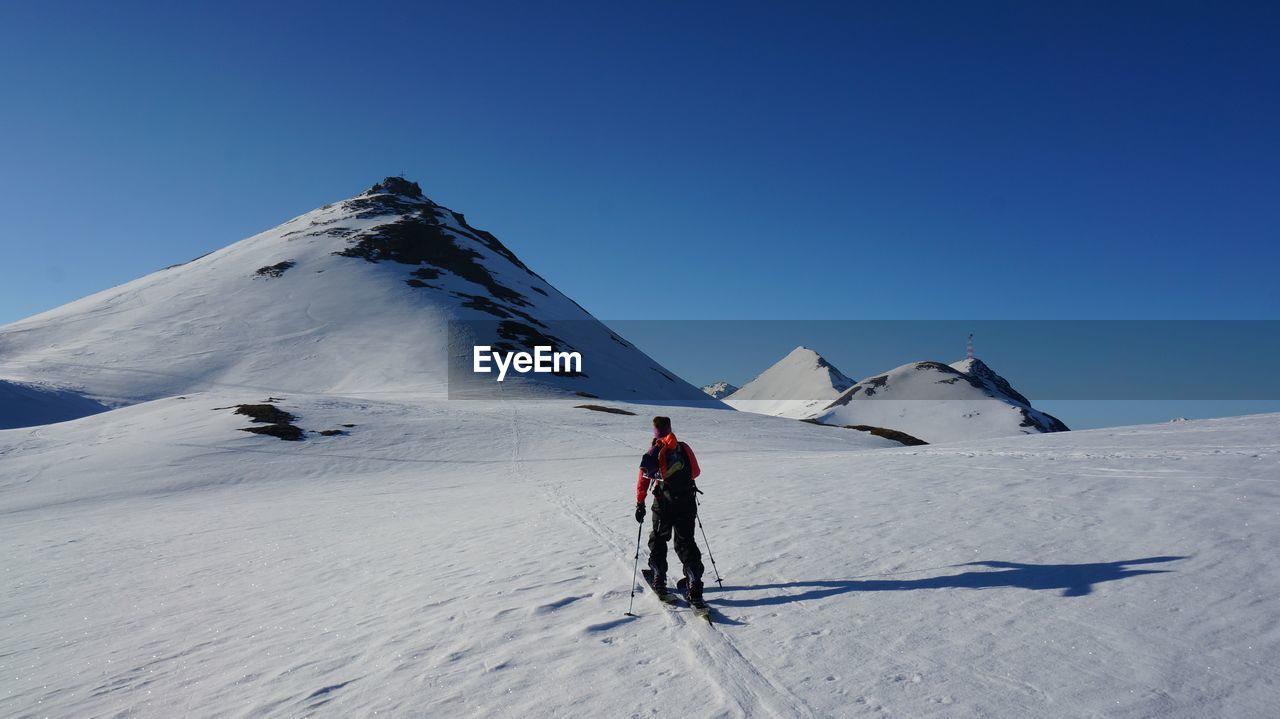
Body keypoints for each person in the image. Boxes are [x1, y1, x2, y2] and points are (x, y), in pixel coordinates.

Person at [635, 415, 705, 605]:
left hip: (663, 504)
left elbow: (643, 479)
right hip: (686, 502)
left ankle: (658, 577)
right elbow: (696, 472)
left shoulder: (654, 451)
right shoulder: (684, 447)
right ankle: (694, 580)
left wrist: (640, 503)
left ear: (655, 431)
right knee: (686, 542)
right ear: (670, 427)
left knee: (658, 538)